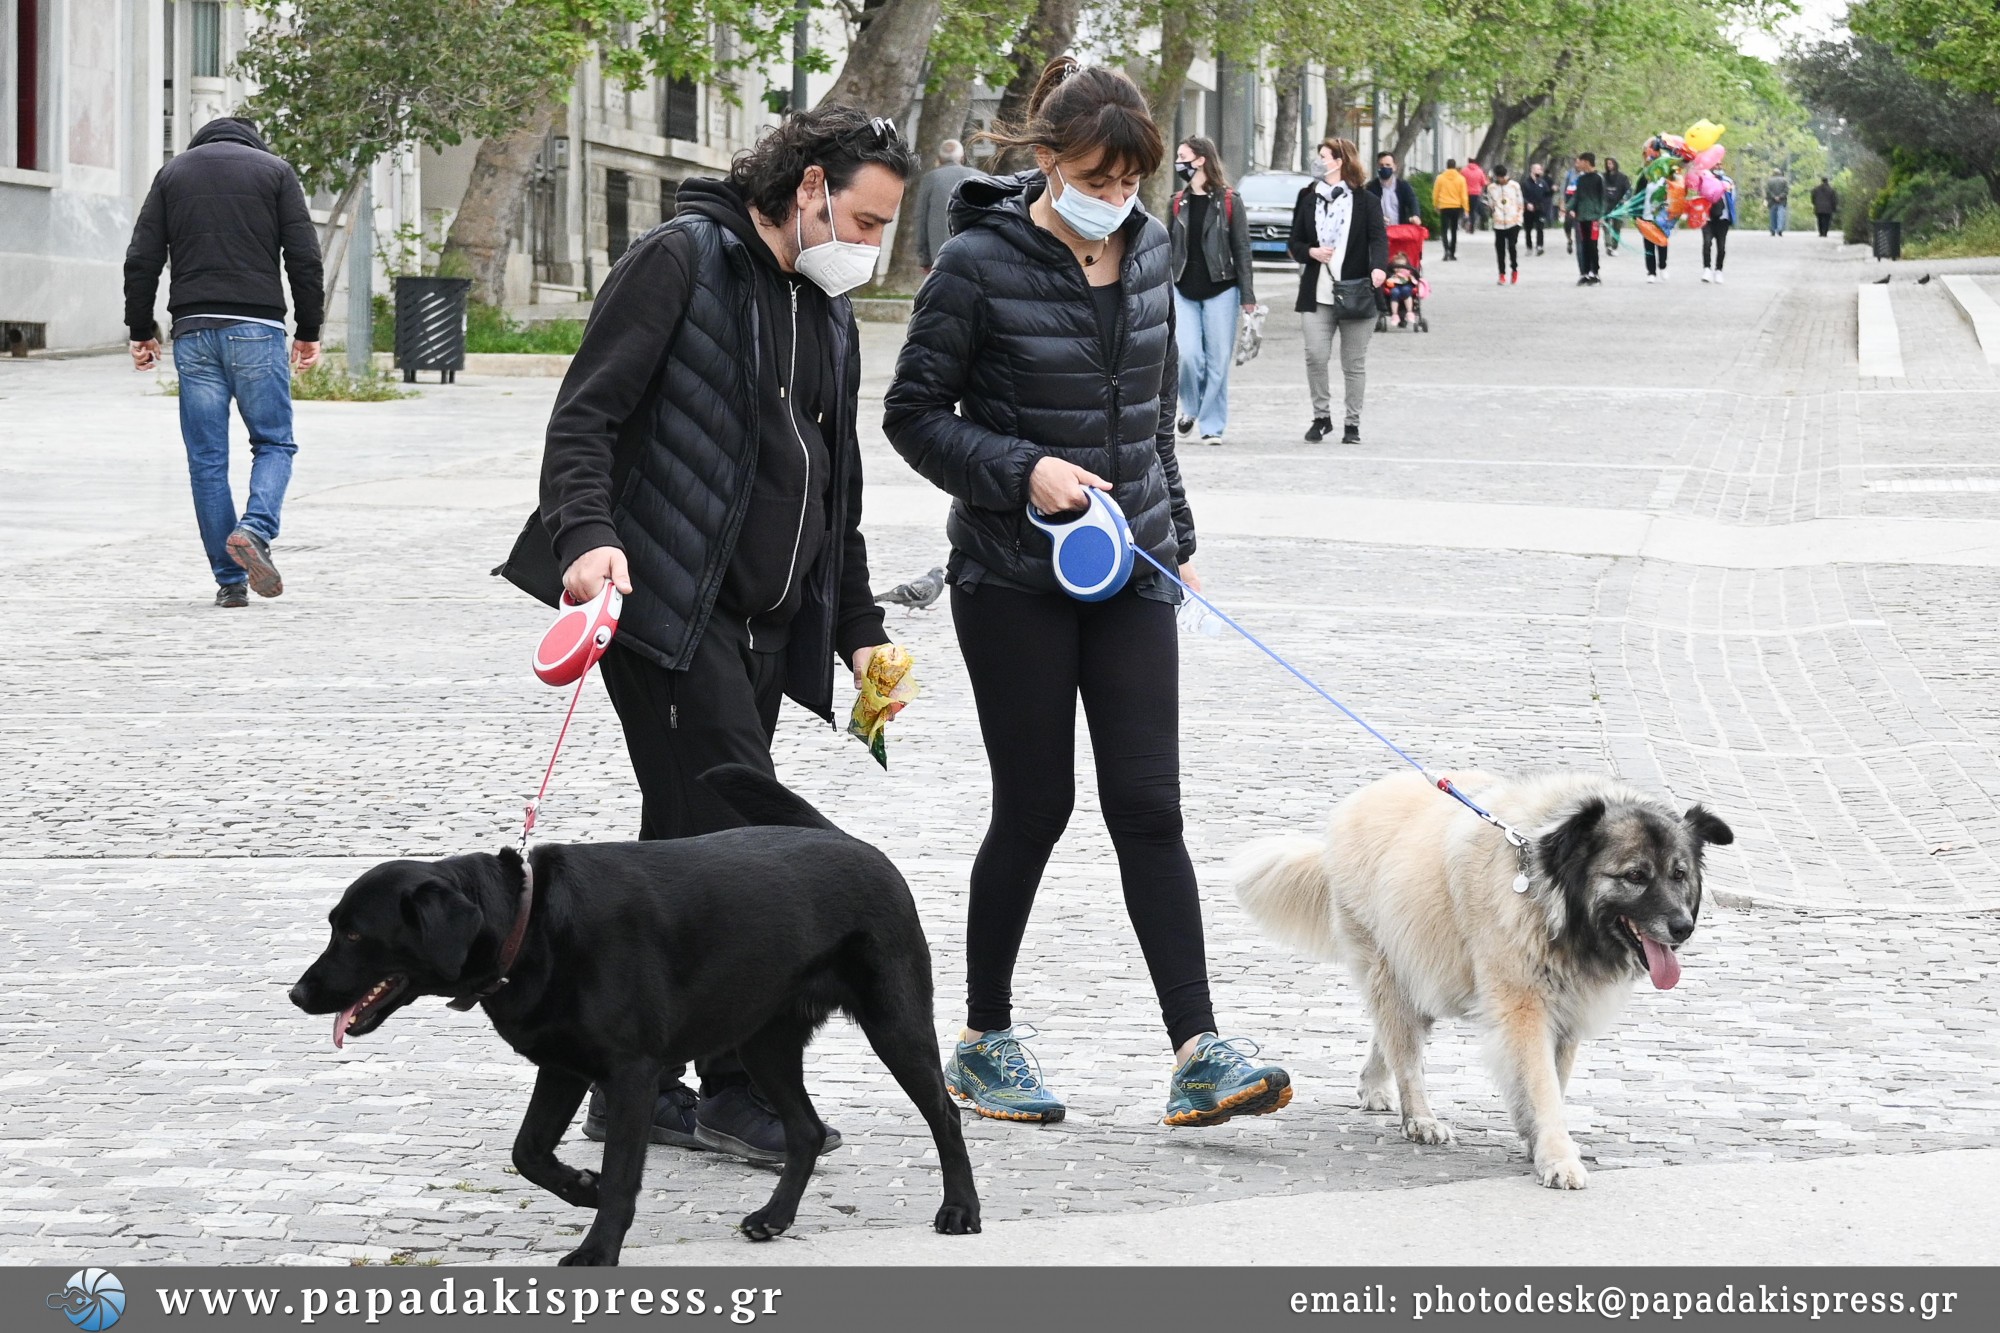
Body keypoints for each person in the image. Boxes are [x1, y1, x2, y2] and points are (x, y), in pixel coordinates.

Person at [883, 56, 1294, 1130]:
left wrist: (1177, 537)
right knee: (1035, 805)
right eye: (1097, 178)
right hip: (1011, 574)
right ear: (1048, 160)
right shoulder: (973, 264)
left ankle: (1198, 1050)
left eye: (1129, 182)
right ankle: (982, 1038)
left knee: (1149, 807)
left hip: (1133, 568)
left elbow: (1152, 416)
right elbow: (913, 414)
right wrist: (1021, 470)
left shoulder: (1153, 247)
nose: (1114, 200)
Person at [515, 106, 913, 1164]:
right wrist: (587, 537)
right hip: (664, 610)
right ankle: (741, 1086)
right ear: (809, 186)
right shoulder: (678, 260)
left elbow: (836, 493)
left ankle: (615, 1070)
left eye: (884, 230)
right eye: (863, 220)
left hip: (765, 629)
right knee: (748, 845)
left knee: (685, 844)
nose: (868, 247)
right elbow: (584, 419)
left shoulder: (824, 311)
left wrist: (858, 631)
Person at [123, 116, 323, 608]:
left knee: (207, 461)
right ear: (253, 141)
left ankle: (230, 581)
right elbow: (304, 257)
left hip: (193, 330)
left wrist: (140, 331)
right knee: (274, 442)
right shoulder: (275, 172)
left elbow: (142, 257)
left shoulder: (174, 174)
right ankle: (254, 530)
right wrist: (309, 332)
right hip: (257, 329)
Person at [1289, 137, 1389, 443]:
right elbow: (1294, 242)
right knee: (1315, 355)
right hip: (1317, 292)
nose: (1318, 161)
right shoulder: (1308, 197)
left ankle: (1352, 423)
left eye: (1323, 156)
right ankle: (1321, 417)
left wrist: (1379, 267)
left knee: (1353, 362)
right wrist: (1311, 253)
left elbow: (1378, 239)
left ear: (1340, 161)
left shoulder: (1366, 200)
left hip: (1357, 291)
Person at [1168, 135, 1257, 446]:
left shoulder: (1231, 201)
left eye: (1183, 156)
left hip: (1222, 288)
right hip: (1183, 288)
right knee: (1188, 355)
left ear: (1200, 159)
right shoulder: (1177, 202)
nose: (1177, 162)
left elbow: (1242, 250)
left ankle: (1212, 426)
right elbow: (1170, 248)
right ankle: (1190, 409)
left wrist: (1248, 297)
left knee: (1218, 362)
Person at [915, 138, 980, 272]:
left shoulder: (931, 179)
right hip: (978, 251)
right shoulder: (981, 177)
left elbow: (921, 218)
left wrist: (924, 258)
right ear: (962, 158)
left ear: (939, 158)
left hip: (941, 254)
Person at [1571, 152, 1605, 285]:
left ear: (1586, 162)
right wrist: (1569, 208)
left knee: (1592, 245)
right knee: (1584, 244)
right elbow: (1576, 197)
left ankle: (1594, 272)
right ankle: (1585, 272)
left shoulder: (1598, 178)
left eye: (1580, 161)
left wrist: (1601, 215)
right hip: (1582, 216)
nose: (1578, 164)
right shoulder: (1582, 179)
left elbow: (1603, 198)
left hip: (1594, 217)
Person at [1488, 163, 1524, 285]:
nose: (1501, 180)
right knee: (1500, 249)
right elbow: (1491, 204)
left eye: (1502, 177)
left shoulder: (1515, 186)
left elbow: (1520, 203)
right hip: (1498, 223)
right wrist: (1494, 214)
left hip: (1513, 221)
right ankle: (1501, 274)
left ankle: (1514, 269)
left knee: (1512, 247)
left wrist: (1518, 219)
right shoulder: (1491, 188)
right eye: (1499, 177)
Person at [1368, 151, 1420, 229]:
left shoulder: (1403, 186)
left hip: (1399, 231)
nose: (1384, 167)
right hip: (1379, 231)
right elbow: (1368, 209)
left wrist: (1415, 215)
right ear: (1377, 167)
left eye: (1388, 165)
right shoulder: (1371, 187)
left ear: (1394, 167)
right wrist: (1378, 218)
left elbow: (1412, 201)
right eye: (1381, 165)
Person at [1702, 170, 1737, 284]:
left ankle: (1718, 270)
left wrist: (1728, 189)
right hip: (1707, 218)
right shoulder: (1704, 181)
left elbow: (1732, 198)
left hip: (1723, 219)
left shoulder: (1727, 181)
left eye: (1719, 164)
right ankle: (1707, 269)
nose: (1718, 167)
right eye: (1716, 164)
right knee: (1707, 243)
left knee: (1721, 246)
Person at [1432, 158, 1469, 260]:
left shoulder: (1440, 178)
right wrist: (1466, 209)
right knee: (1453, 231)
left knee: (1444, 230)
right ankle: (1452, 253)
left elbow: (1436, 192)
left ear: (1446, 166)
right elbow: (1464, 195)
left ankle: (1446, 250)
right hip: (1456, 207)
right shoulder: (1461, 179)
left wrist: (1435, 205)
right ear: (1455, 166)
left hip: (1444, 206)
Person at [1383, 252, 1423, 326]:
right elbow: (1388, 282)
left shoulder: (1409, 273)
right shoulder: (1392, 274)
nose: (1399, 269)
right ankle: (1394, 314)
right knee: (1394, 292)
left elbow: (1414, 281)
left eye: (1402, 267)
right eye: (1397, 267)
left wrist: (1412, 278)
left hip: (1406, 286)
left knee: (1406, 290)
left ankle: (1409, 312)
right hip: (1394, 287)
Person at [1603, 156, 1631, 256]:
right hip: (1606, 205)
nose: (1609, 165)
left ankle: (1614, 246)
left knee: (1616, 227)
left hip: (1618, 205)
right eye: (1607, 163)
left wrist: (1625, 200)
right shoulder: (1603, 177)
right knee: (1605, 226)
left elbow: (1628, 190)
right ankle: (1608, 245)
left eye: (1611, 163)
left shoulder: (1622, 177)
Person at [1522, 163, 1552, 255]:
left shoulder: (1542, 182)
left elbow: (1547, 195)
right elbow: (1521, 195)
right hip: (1528, 210)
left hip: (1540, 209)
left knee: (1540, 228)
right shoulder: (1525, 183)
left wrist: (1553, 191)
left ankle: (1539, 246)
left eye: (1541, 169)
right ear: (1533, 170)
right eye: (1538, 169)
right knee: (1528, 229)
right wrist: (1527, 203)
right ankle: (1529, 247)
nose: (1540, 171)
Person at [1463, 157, 1489, 230]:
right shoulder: (1480, 171)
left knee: (1466, 209)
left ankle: (1466, 222)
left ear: (1468, 162)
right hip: (1476, 193)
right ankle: (1472, 225)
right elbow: (1484, 182)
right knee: (1473, 210)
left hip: (1466, 193)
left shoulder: (1464, 171)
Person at [1765, 171, 1789, 237]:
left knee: (1773, 216)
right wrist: (1780, 196)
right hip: (1782, 201)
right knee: (1781, 216)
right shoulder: (1784, 180)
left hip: (1772, 201)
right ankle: (1780, 229)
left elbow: (1768, 191)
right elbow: (1786, 190)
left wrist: (1774, 197)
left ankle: (1773, 230)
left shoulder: (1769, 181)